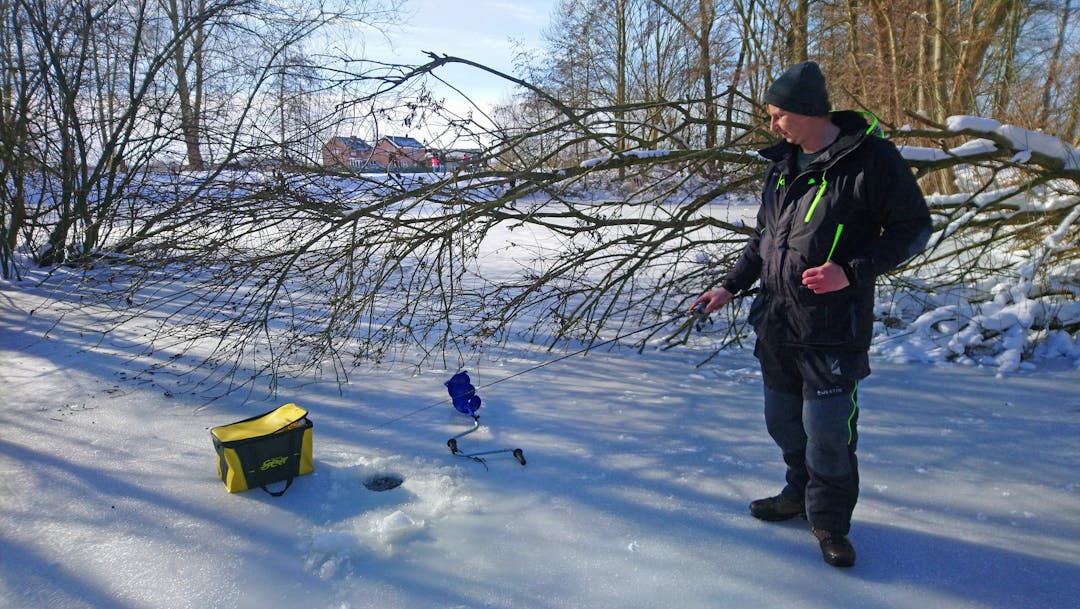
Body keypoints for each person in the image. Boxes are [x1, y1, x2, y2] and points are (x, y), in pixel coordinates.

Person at [689, 61, 932, 567]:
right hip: (777, 323)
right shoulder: (782, 166)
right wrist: (729, 287)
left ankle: (830, 522)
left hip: (832, 329)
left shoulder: (872, 161)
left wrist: (853, 269)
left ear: (808, 112)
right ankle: (797, 495)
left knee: (827, 432)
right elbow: (764, 239)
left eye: (779, 116)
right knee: (782, 422)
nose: (773, 126)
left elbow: (913, 229)